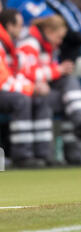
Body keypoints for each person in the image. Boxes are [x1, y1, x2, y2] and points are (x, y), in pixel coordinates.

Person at [18, 15, 81, 165]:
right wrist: (58, 70)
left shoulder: (47, 45)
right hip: (28, 91)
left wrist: (58, 71)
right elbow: (26, 73)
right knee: (67, 95)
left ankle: (77, 143)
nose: (60, 41)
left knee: (69, 89)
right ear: (49, 31)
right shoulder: (31, 43)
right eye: (59, 37)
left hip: (42, 89)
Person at [0, 9, 53, 167]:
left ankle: (43, 154)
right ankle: (22, 156)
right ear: (9, 26)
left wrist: (33, 86)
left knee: (40, 100)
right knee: (22, 100)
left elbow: (17, 74)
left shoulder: (10, 44)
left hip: (7, 87)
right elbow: (3, 80)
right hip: (3, 89)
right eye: (19, 26)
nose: (22, 30)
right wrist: (31, 89)